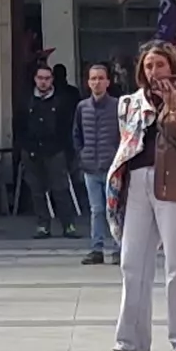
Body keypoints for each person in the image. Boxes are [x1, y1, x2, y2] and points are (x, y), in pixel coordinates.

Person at [109, 40, 176, 351]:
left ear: (172, 65)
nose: (154, 72)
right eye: (149, 66)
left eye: (160, 65)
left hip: (175, 183)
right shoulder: (130, 102)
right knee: (132, 263)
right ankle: (131, 340)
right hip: (137, 182)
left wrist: (173, 108)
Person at [22, 63, 81, 238]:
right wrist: (24, 148)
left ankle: (68, 224)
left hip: (56, 150)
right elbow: (19, 125)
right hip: (31, 150)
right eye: (40, 78)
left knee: (61, 189)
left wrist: (68, 151)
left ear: (52, 80)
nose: (43, 82)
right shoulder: (26, 100)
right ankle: (43, 225)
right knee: (37, 190)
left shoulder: (62, 100)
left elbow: (68, 127)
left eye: (47, 79)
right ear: (35, 79)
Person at [72, 62, 123, 264]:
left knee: (116, 209)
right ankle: (96, 248)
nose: (97, 82)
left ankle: (119, 247)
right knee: (96, 210)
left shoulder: (118, 105)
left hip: (112, 167)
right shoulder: (82, 107)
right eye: (93, 78)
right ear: (88, 83)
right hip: (90, 167)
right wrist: (81, 154)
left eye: (101, 78)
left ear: (108, 82)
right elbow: (76, 133)